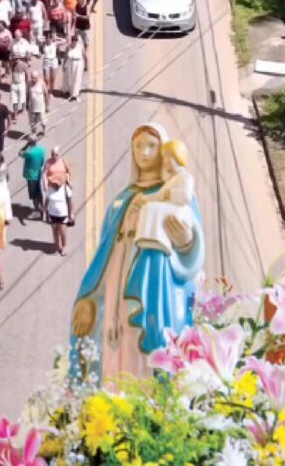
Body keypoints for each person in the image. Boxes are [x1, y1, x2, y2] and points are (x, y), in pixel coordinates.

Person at [71, 124, 204, 382]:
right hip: (115, 293)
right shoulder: (121, 201)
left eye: (151, 146)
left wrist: (186, 242)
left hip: (153, 292)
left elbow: (194, 248)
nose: (144, 152)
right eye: (138, 146)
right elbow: (104, 258)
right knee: (113, 352)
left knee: (145, 357)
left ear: (164, 150)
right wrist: (90, 300)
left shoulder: (176, 195)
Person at [44, 179, 74, 256]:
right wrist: (45, 212)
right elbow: (46, 202)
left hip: (62, 214)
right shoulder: (49, 190)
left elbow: (70, 203)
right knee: (55, 232)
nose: (56, 185)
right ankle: (57, 248)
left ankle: (64, 247)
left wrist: (71, 214)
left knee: (62, 232)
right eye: (55, 184)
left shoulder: (66, 189)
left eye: (58, 184)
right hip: (52, 214)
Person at [19, 135, 46, 217]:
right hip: (38, 173)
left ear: (30, 143)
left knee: (33, 195)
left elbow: (20, 153)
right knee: (39, 192)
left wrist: (26, 145)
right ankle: (43, 207)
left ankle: (37, 210)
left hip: (31, 175)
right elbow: (42, 161)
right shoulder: (42, 150)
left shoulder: (29, 152)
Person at [27, 70, 49, 137]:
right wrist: (26, 104)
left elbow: (46, 94)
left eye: (35, 78)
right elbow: (27, 93)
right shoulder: (29, 83)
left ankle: (43, 130)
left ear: (38, 77)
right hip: (32, 106)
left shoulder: (42, 83)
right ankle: (34, 133)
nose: (34, 79)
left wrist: (47, 106)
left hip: (41, 105)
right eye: (32, 77)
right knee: (32, 121)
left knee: (42, 120)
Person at [64, 34, 84, 101]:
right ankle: (71, 92)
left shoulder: (80, 47)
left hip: (78, 64)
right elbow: (65, 57)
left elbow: (84, 56)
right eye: (73, 40)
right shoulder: (68, 47)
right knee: (70, 78)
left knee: (77, 78)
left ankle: (75, 94)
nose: (74, 41)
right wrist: (64, 64)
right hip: (70, 63)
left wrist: (86, 65)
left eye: (75, 40)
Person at [74, 0, 91, 70]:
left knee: (85, 48)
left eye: (80, 3)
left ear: (83, 2)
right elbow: (74, 14)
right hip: (78, 28)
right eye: (78, 2)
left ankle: (86, 65)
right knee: (76, 44)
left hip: (85, 29)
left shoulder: (87, 7)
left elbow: (88, 17)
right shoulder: (76, 6)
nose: (79, 4)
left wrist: (79, 16)